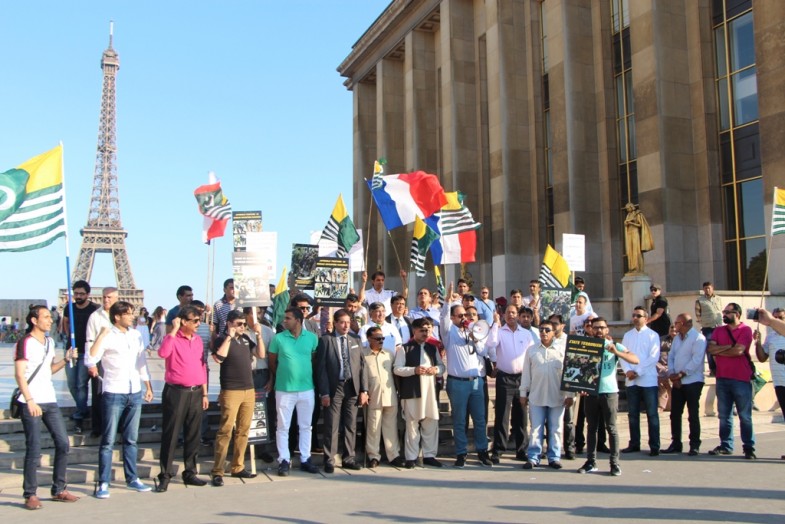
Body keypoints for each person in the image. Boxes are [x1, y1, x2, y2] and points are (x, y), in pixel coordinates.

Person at [87, 301, 154, 499]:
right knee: (108, 440)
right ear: (117, 316)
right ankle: (104, 481)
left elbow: (141, 363)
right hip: (114, 391)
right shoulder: (107, 335)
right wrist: (100, 336)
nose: (132, 316)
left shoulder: (135, 335)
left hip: (134, 391)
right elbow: (90, 360)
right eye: (128, 314)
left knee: (131, 439)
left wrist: (148, 386)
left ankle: (132, 478)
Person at [15, 306, 79, 510]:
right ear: (34, 320)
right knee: (34, 449)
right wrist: (30, 400)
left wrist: (66, 359)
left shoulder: (50, 342)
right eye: (46, 317)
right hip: (31, 401)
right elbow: (20, 374)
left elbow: (48, 370)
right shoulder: (25, 342)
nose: (50, 320)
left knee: (63, 443)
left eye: (50, 317)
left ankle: (59, 488)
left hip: (49, 400)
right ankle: (30, 494)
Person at [155, 305, 209, 492]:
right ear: (183, 321)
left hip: (195, 392)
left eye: (199, 320)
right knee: (171, 434)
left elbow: (202, 366)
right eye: (194, 320)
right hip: (176, 392)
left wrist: (204, 392)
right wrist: (173, 330)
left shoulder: (198, 340)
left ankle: (190, 471)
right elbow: (162, 353)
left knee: (193, 434)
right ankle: (165, 474)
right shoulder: (173, 339)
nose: (198, 324)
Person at [577, 317, 639, 477]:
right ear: (590, 329)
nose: (598, 330)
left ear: (607, 330)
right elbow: (579, 369)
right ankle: (591, 461)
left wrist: (617, 352)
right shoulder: (586, 346)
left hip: (609, 391)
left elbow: (635, 359)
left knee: (611, 428)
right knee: (591, 428)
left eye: (601, 328)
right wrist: (581, 387)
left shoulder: (614, 346)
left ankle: (614, 463)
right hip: (591, 393)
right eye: (595, 327)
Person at [441, 284, 494, 467]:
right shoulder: (449, 332)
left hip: (477, 382)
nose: (464, 318)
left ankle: (482, 451)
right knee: (459, 419)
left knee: (480, 420)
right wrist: (448, 301)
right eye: (460, 315)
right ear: (453, 317)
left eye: (466, 315)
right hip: (458, 383)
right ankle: (461, 453)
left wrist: (474, 336)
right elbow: (443, 319)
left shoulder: (475, 330)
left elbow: (482, 351)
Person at [211, 309, 266, 485]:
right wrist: (229, 336)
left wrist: (258, 335)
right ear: (230, 324)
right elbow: (219, 357)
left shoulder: (246, 339)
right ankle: (218, 470)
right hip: (231, 390)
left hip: (248, 389)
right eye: (239, 324)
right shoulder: (221, 339)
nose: (242, 327)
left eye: (244, 324)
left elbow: (261, 354)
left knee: (243, 430)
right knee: (226, 430)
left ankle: (238, 466)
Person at [268, 307, 320, 476]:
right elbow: (272, 362)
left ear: (298, 320)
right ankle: (284, 459)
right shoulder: (278, 339)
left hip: (307, 389)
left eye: (288, 318)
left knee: (306, 426)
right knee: (283, 427)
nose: (285, 321)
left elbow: (313, 359)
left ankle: (305, 458)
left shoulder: (312, 338)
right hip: (284, 390)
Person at [315, 309, 369, 472]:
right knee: (331, 424)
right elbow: (321, 369)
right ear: (336, 323)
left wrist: (364, 390)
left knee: (351, 425)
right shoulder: (326, 340)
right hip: (334, 387)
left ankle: (349, 458)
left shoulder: (356, 339)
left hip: (352, 387)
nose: (346, 325)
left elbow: (362, 366)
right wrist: (324, 392)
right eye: (342, 322)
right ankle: (329, 459)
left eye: (348, 322)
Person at [520, 320, 573, 470]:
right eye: (541, 329)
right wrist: (523, 393)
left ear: (553, 332)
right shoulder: (532, 350)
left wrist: (570, 395)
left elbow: (568, 375)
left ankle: (554, 457)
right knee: (536, 428)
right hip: (537, 395)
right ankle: (533, 457)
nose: (544, 332)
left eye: (547, 330)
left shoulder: (562, 350)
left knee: (556, 428)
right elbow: (526, 374)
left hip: (557, 396)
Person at [485, 304, 534, 463]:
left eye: (514, 313)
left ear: (518, 315)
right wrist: (495, 323)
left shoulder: (526, 334)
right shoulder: (499, 332)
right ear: (503, 315)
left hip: (522, 379)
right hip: (504, 378)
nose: (511, 315)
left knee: (521, 415)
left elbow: (532, 354)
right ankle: (498, 450)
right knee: (502, 415)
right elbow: (491, 344)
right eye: (508, 313)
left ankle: (521, 450)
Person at [706, 302, 755, 459]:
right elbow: (711, 349)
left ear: (737, 314)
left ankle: (749, 447)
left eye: (728, 312)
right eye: (724, 312)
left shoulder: (745, 330)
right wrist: (729, 348)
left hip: (741, 378)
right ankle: (726, 445)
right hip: (722, 378)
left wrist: (721, 350)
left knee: (745, 416)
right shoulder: (719, 330)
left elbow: (739, 351)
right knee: (724, 415)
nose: (724, 314)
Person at [394, 317, 445, 468]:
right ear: (414, 331)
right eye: (422, 330)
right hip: (412, 392)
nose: (425, 333)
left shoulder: (432, 348)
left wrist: (435, 369)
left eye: (427, 330)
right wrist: (413, 370)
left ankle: (429, 455)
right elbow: (397, 369)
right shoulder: (405, 348)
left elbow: (442, 367)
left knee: (430, 423)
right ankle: (411, 457)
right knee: (412, 425)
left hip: (430, 391)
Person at [620, 307, 661, 456]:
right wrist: (628, 371)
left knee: (651, 414)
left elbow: (653, 357)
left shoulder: (652, 335)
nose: (636, 318)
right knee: (632, 414)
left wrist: (637, 371)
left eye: (639, 315)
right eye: (634, 315)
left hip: (648, 380)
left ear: (646, 318)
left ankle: (654, 445)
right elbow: (622, 355)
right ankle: (634, 443)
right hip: (631, 381)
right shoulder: (628, 335)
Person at [363, 326, 406, 468]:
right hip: (373, 396)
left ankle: (393, 455)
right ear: (369, 339)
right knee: (373, 428)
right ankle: (373, 456)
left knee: (391, 428)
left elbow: (395, 374)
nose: (381, 341)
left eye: (382, 338)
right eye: (377, 338)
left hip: (390, 395)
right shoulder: (363, 354)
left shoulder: (389, 354)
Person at [663, 314, 706, 456]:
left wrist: (681, 374)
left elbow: (696, 360)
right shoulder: (676, 339)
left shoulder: (698, 338)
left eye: (676, 323)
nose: (674, 325)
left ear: (684, 323)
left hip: (692, 381)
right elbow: (671, 357)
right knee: (675, 414)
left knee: (693, 414)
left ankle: (694, 444)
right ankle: (676, 443)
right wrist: (672, 374)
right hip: (677, 382)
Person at [61, 279, 99, 434]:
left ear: (88, 294)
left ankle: (79, 412)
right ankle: (82, 409)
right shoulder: (69, 308)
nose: (78, 296)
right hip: (72, 350)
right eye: (76, 293)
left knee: (81, 383)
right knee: (71, 383)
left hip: (87, 350)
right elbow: (65, 324)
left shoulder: (94, 310)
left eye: (81, 294)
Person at [85, 287, 119, 438]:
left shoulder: (122, 315)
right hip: (100, 359)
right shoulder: (95, 316)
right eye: (104, 297)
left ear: (117, 298)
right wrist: (91, 363)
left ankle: (116, 425)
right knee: (99, 394)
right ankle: (98, 426)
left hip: (117, 359)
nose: (106, 300)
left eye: (110, 297)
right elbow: (89, 340)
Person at [756, 307, 785, 459]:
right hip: (779, 382)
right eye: (774, 317)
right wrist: (758, 343)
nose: (777, 320)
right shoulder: (771, 336)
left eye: (780, 317)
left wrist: (772, 321)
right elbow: (762, 357)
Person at [695, 281, 723, 375]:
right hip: (707, 327)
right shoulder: (700, 300)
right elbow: (697, 313)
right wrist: (702, 321)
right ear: (703, 289)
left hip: (718, 326)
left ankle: (720, 367)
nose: (707, 290)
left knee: (720, 347)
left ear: (712, 288)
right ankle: (713, 369)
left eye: (709, 288)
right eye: (706, 288)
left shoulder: (718, 298)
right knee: (710, 348)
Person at [623, 202, 654, 273]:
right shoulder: (628, 215)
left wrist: (630, 223)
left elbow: (640, 225)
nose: (627, 210)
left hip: (635, 233)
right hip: (629, 234)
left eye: (628, 208)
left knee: (636, 250)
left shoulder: (637, 214)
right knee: (631, 251)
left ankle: (637, 267)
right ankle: (632, 268)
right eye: (627, 209)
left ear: (631, 207)